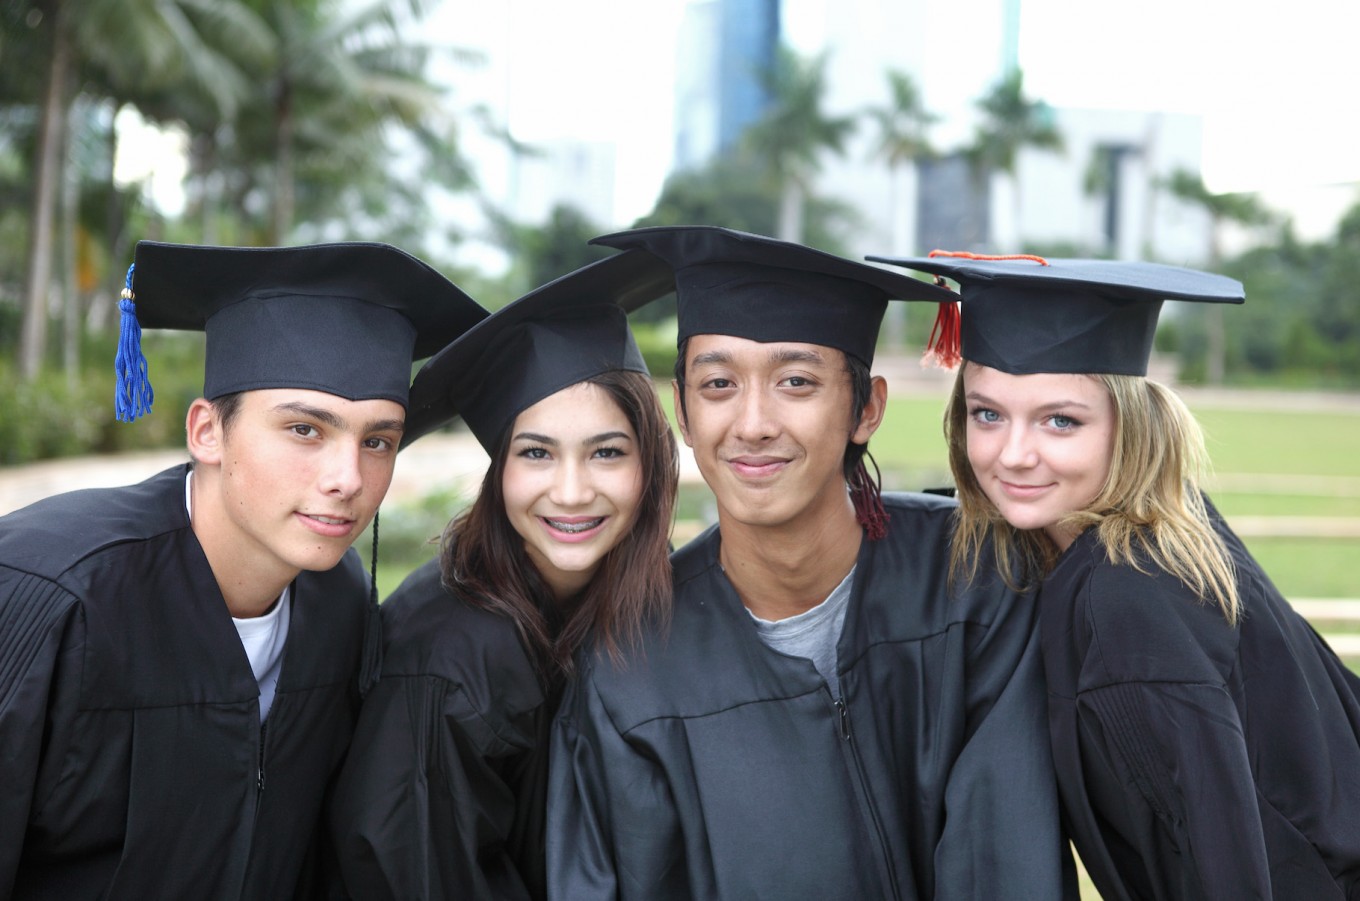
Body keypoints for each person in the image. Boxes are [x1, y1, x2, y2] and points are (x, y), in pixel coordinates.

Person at [547, 226, 1076, 900]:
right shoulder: (632, 665)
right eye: (717, 383)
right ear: (681, 410)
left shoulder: (977, 585)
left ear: (866, 408)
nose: (754, 422)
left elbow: (1004, 862)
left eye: (796, 381)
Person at [0, 241, 485, 899]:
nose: (348, 479)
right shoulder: (47, 592)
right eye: (306, 430)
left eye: (378, 440)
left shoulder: (340, 607)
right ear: (207, 431)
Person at [872, 250, 1360, 899]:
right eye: (987, 413)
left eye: (1061, 420)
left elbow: (1220, 867)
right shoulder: (1172, 529)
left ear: (1127, 425)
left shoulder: (1127, 603)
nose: (1012, 454)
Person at [328, 249, 680, 900]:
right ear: (501, 472)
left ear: (650, 462)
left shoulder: (624, 601)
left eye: (606, 451)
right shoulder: (453, 660)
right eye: (536, 453)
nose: (571, 491)